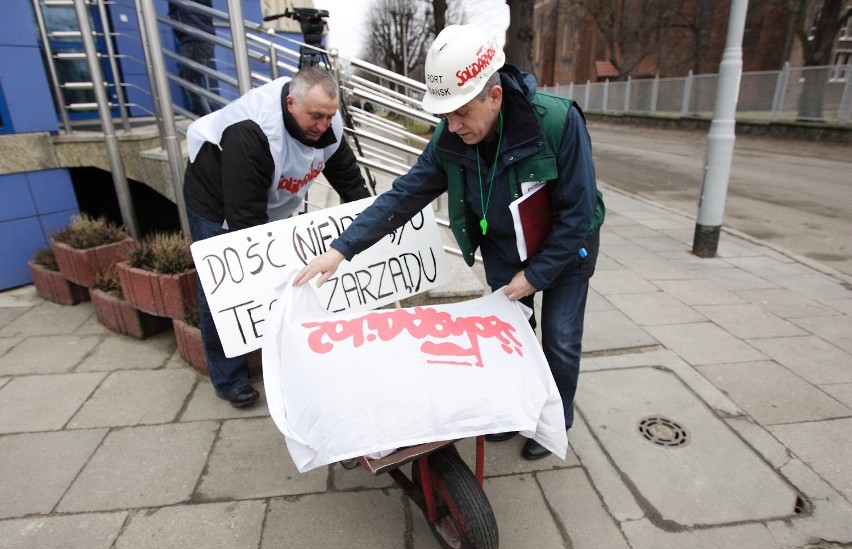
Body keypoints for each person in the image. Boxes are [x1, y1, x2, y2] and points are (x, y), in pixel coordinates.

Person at [294, 25, 605, 460]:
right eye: (445, 116)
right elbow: (404, 195)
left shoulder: (557, 122)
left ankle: (554, 420)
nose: (453, 126)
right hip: (503, 245)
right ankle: (515, 410)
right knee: (510, 335)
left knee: (560, 339)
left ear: (493, 97)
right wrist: (341, 249)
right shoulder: (451, 139)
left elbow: (576, 215)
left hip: (568, 248)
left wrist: (535, 277)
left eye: (461, 113)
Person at [184, 66, 371, 408]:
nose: (323, 126)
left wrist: (368, 225)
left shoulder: (326, 123)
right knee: (222, 290)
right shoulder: (251, 133)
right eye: (315, 116)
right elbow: (245, 227)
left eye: (330, 116)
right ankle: (229, 378)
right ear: (290, 103)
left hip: (266, 198)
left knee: (286, 281)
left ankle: (291, 358)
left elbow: (350, 182)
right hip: (215, 201)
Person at [168, 0, 216, 116]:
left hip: (194, 38)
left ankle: (208, 120)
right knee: (190, 81)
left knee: (190, 83)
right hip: (197, 36)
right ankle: (212, 116)